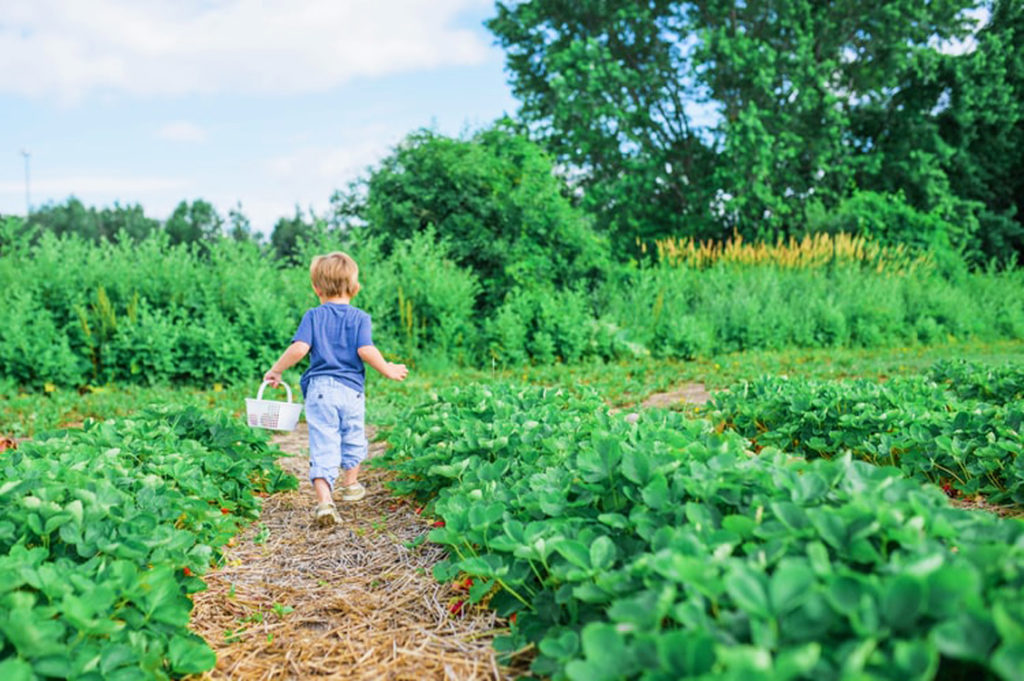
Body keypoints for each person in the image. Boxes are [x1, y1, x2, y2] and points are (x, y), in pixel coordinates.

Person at [263, 251, 408, 526]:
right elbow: (365, 349)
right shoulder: (360, 317)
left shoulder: (313, 316)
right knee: (353, 435)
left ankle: (324, 502)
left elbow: (300, 348)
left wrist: (277, 369)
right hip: (351, 390)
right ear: (355, 287)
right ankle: (351, 484)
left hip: (320, 390)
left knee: (323, 442)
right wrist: (387, 368)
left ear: (316, 288)